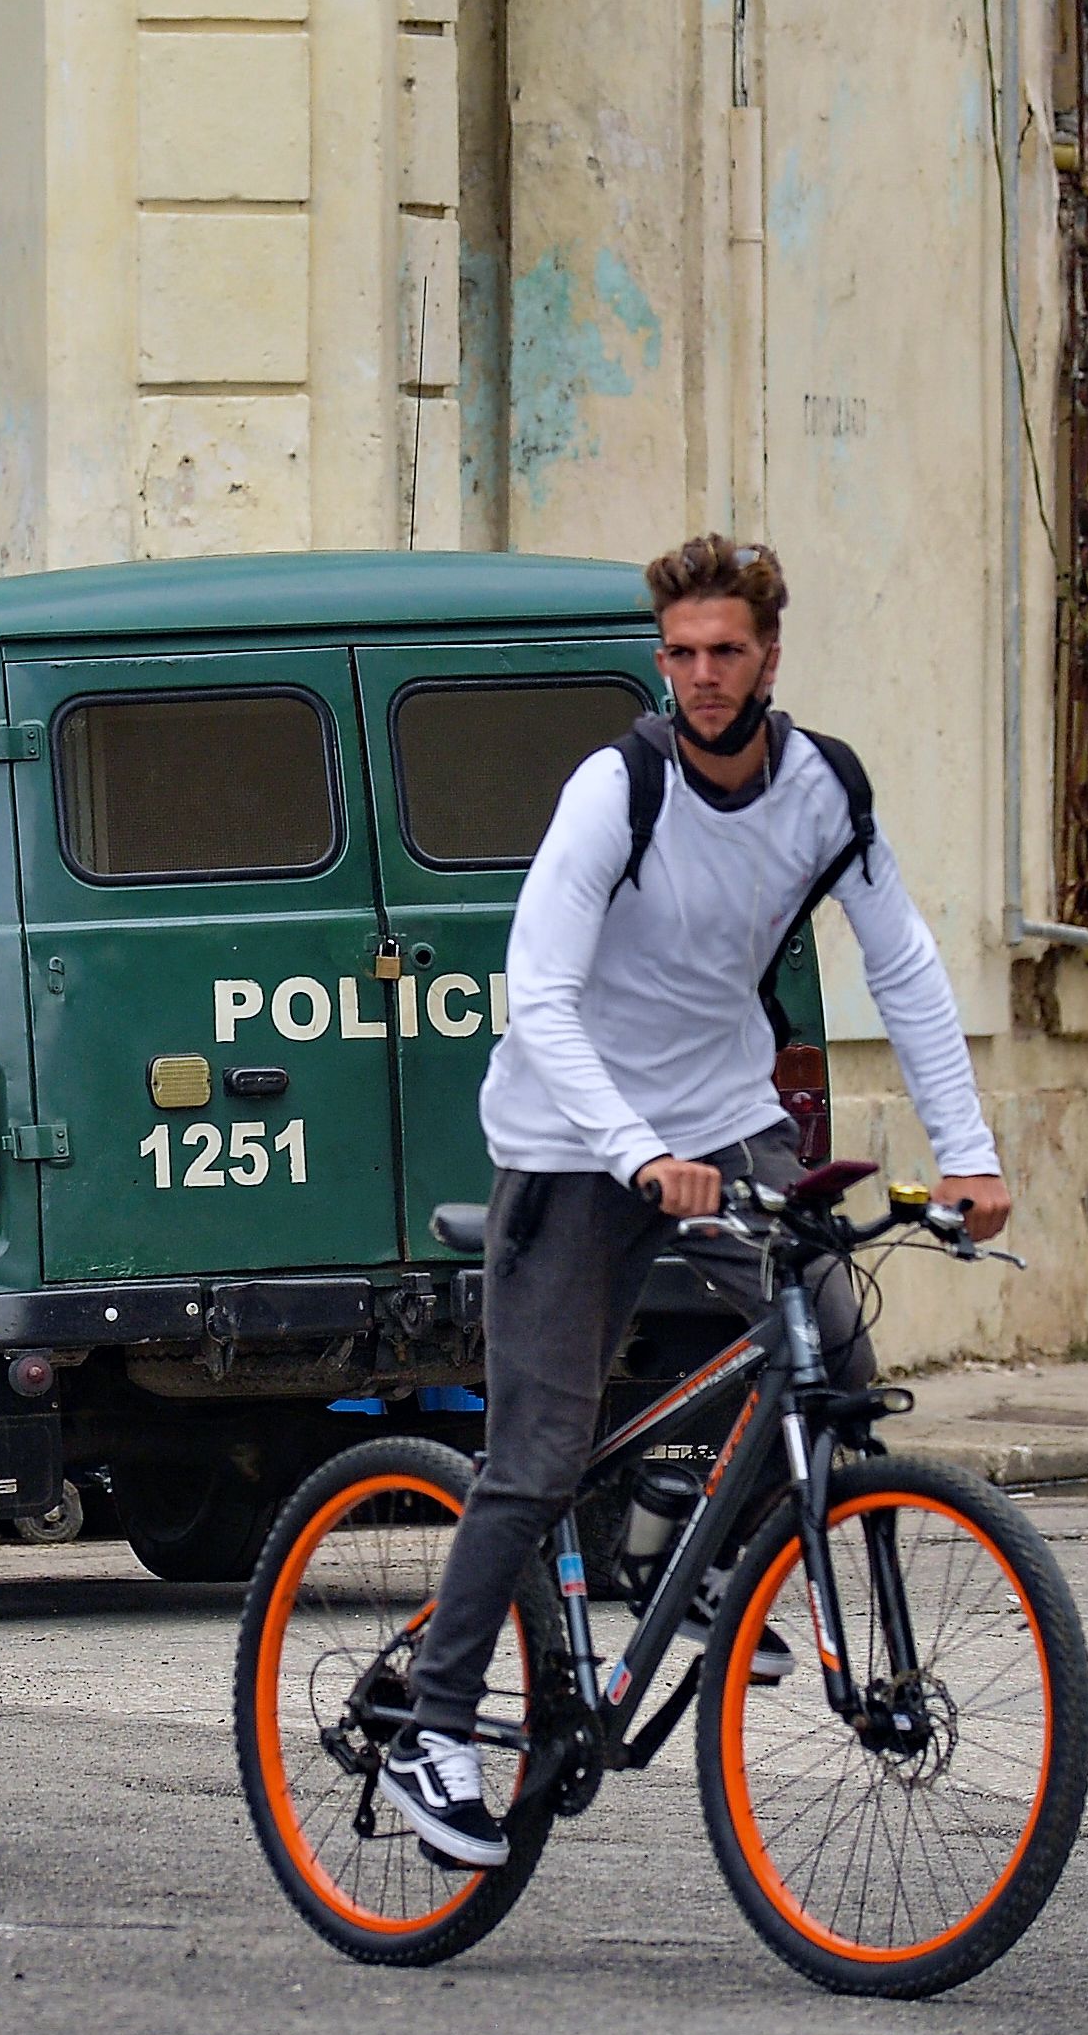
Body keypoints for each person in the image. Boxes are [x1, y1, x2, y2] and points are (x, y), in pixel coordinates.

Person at [379, 533, 1012, 1868]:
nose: (706, 676)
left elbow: (904, 970)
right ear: (662, 661)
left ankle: (709, 1549)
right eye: (684, 654)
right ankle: (434, 1728)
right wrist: (630, 1152)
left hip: (725, 1117)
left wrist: (970, 1155)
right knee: (539, 1457)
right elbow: (536, 995)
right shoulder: (621, 787)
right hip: (570, 1135)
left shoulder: (826, 789)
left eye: (730, 652)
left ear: (772, 657)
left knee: (831, 1349)